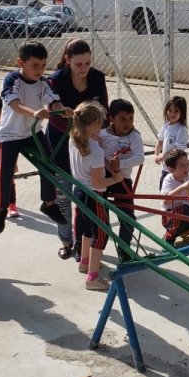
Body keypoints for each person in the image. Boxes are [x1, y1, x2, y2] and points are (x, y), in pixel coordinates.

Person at [0, 41, 66, 236]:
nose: (39, 70)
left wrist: (63, 110)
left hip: (32, 132)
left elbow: (54, 101)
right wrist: (35, 113)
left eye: (43, 65)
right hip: (10, 134)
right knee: (4, 173)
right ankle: (0, 208)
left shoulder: (44, 82)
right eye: (34, 65)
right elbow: (15, 105)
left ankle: (49, 203)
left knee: (48, 165)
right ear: (20, 63)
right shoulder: (12, 79)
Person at [46, 39, 109, 258]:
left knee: (86, 195)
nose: (84, 69)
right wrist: (76, 132)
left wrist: (96, 135)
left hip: (89, 144)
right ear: (68, 60)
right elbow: (53, 115)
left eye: (88, 63)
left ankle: (84, 244)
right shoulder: (56, 80)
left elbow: (104, 111)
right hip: (62, 143)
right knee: (63, 194)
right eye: (79, 64)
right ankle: (66, 240)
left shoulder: (97, 78)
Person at [69, 101, 124, 291]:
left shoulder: (74, 140)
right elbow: (98, 182)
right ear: (93, 124)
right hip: (94, 195)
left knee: (86, 228)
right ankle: (92, 278)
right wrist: (116, 179)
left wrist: (95, 140)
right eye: (99, 124)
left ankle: (85, 262)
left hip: (79, 191)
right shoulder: (96, 152)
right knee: (101, 233)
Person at [99, 98, 145, 261]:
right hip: (102, 180)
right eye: (123, 119)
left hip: (122, 182)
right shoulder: (101, 135)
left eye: (131, 118)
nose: (128, 123)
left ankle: (124, 251)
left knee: (128, 218)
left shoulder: (134, 136)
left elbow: (140, 157)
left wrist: (121, 163)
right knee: (100, 218)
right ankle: (97, 250)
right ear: (111, 118)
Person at [154, 95, 188, 187]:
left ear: (182, 112)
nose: (172, 114)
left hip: (176, 170)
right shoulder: (166, 126)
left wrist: (163, 156)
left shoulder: (181, 129)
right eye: (170, 110)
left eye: (176, 111)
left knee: (174, 193)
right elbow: (160, 140)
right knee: (163, 189)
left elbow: (177, 150)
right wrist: (156, 154)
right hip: (165, 168)